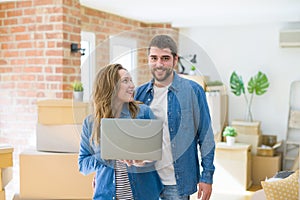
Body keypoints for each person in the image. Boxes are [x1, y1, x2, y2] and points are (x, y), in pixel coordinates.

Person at [134, 35, 215, 200]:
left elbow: (205, 137)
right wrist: (105, 173)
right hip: (145, 180)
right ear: (148, 59)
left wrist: (207, 177)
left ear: (175, 60)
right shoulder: (139, 94)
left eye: (165, 58)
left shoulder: (193, 91)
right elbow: (128, 136)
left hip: (176, 183)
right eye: (154, 58)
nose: (159, 64)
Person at [78, 63, 163, 200]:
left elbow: (157, 154)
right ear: (110, 86)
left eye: (131, 80)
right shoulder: (91, 123)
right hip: (106, 195)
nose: (132, 86)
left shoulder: (144, 113)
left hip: (145, 194)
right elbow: (83, 166)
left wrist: (143, 160)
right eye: (125, 81)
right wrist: (107, 153)